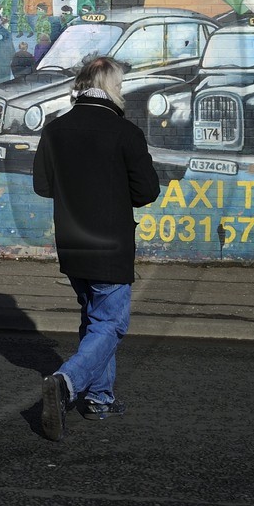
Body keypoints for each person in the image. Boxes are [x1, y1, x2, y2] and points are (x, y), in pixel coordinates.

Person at [31, 55, 160, 442]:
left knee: (94, 317)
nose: (121, 92)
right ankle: (66, 384)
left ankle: (100, 398)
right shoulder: (124, 132)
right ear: (107, 87)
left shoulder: (55, 130)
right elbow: (147, 191)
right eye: (119, 85)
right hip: (110, 244)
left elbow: (42, 185)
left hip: (71, 242)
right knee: (111, 322)